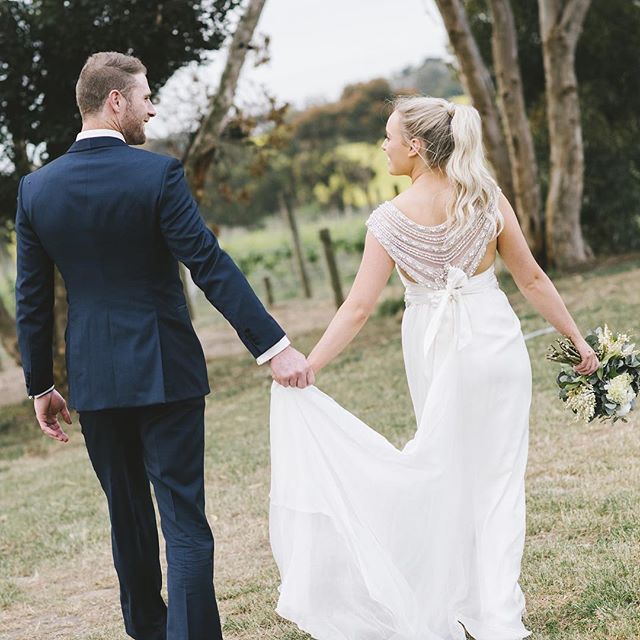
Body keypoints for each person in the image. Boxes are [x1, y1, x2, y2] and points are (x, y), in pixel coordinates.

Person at [269, 95, 599, 640]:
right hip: (496, 347)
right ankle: (496, 615)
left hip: (435, 348)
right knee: (498, 482)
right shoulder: (487, 198)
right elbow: (532, 279)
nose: (384, 145)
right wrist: (577, 340)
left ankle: (458, 600)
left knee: (445, 474)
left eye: (390, 136)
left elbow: (356, 308)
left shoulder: (388, 219)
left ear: (416, 147)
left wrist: (310, 365)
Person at [15, 51, 313, 640]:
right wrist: (273, 346)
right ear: (115, 101)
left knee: (127, 519)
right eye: (146, 95)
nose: (152, 107)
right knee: (183, 520)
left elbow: (30, 300)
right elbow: (208, 263)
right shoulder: (156, 174)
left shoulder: (36, 190)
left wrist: (41, 384)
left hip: (95, 381)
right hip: (165, 371)